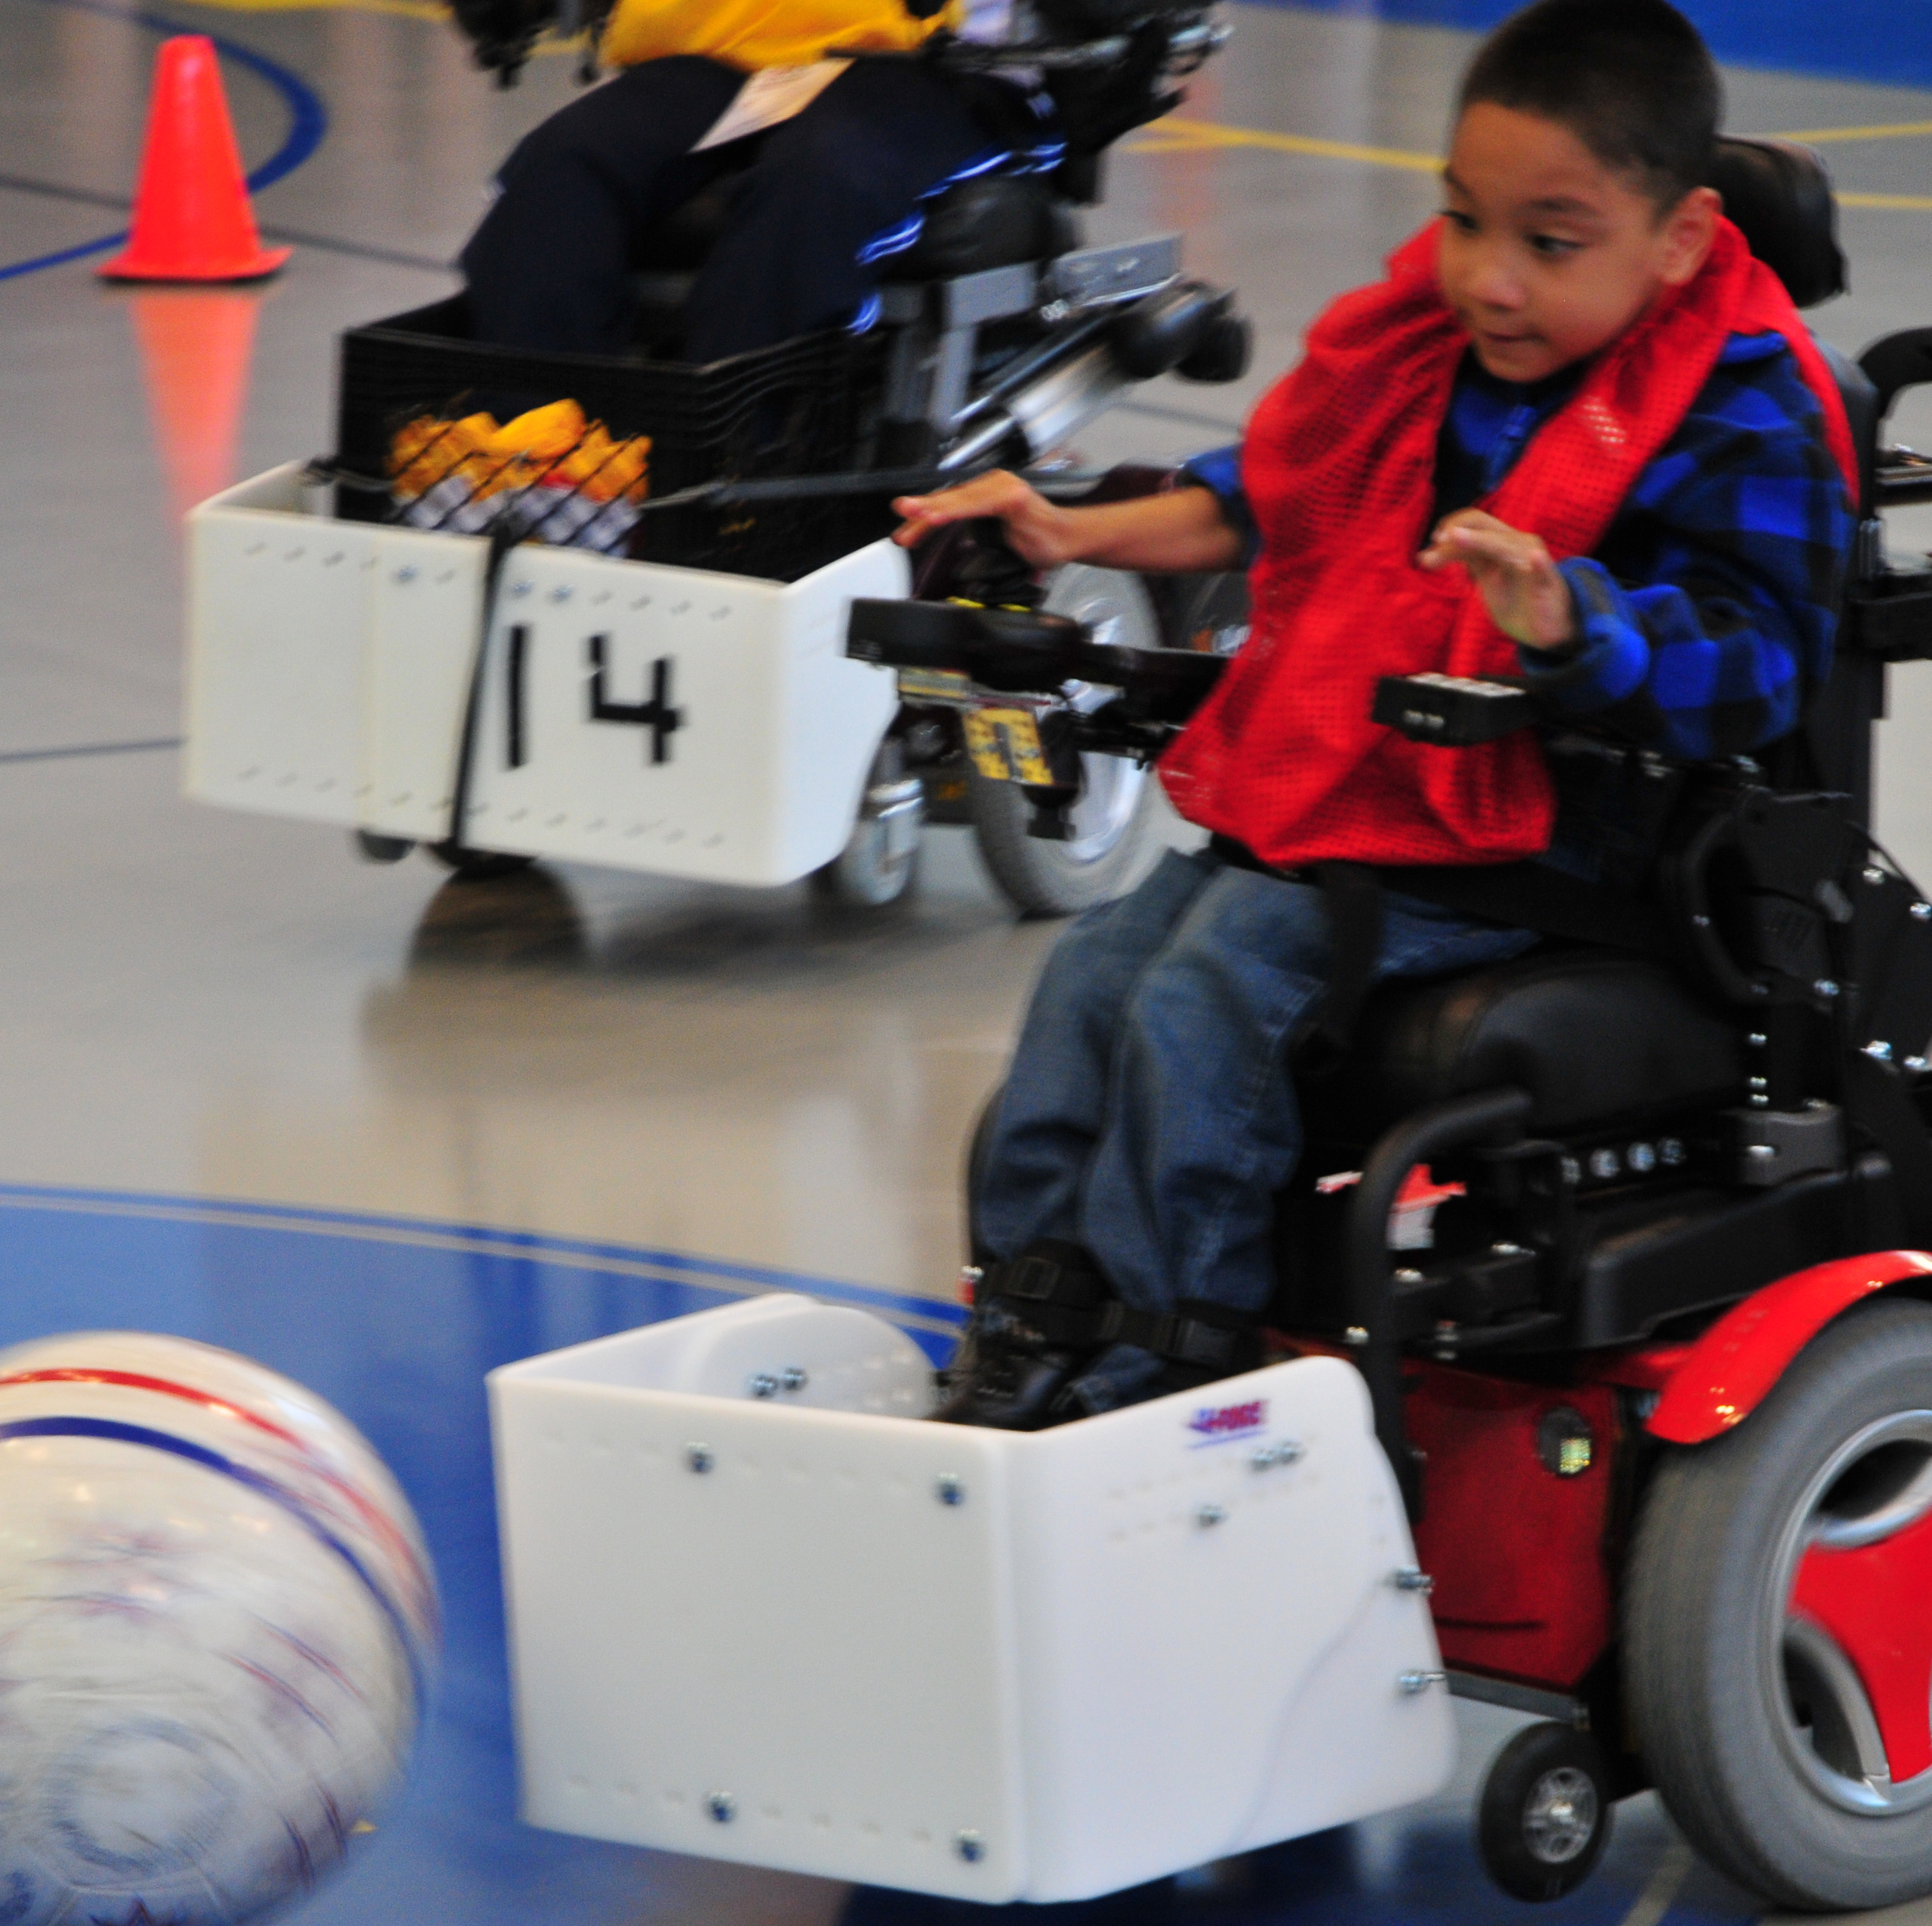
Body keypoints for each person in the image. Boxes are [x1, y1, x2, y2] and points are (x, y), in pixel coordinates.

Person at [893, 0, 1861, 1429]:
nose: (1488, 280)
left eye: (1548, 242)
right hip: (1368, 805)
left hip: (1566, 845)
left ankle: (1176, 1339)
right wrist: (1065, 531)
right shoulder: (1430, 357)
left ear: (1675, 239)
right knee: (1092, 972)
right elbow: (1264, 494)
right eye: (1463, 222)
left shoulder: (1741, 411)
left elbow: (1760, 663)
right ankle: (1040, 1303)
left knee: (1209, 983)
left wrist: (1575, 626)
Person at [459, 0, 1052, 361]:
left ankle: (731, 480)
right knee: (561, 165)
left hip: (942, 69)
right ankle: (543, 468)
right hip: (733, 54)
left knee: (820, 180)